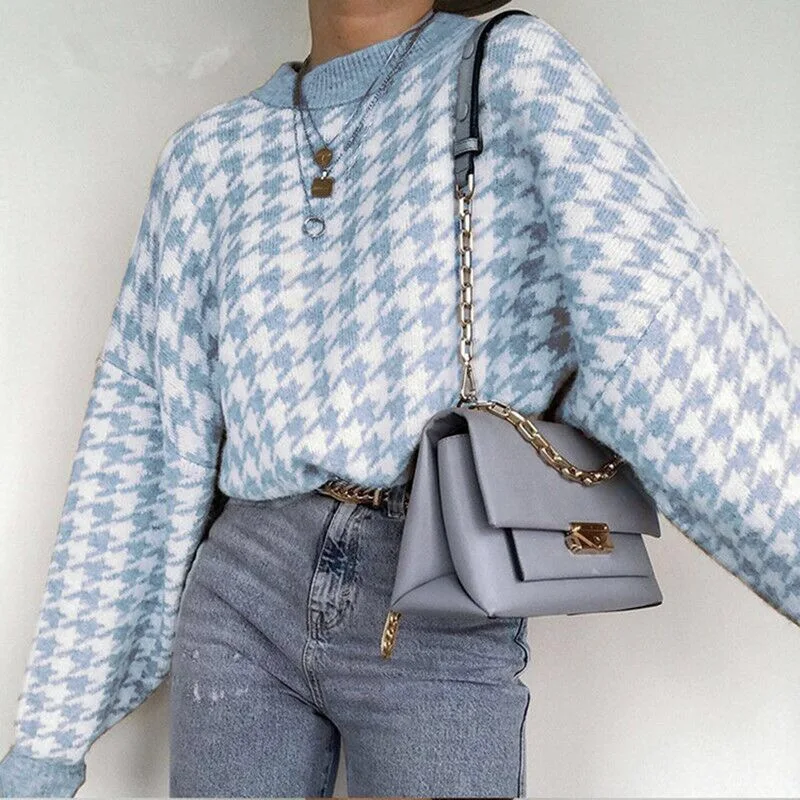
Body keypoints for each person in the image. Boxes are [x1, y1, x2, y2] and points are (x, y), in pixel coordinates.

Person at [1, 0, 798, 796]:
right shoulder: (206, 158)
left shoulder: (512, 73)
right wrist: (47, 743)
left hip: (442, 587)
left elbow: (666, 328)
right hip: (241, 592)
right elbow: (141, 434)